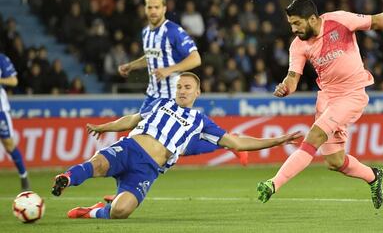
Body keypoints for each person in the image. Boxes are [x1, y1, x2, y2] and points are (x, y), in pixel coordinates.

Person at [51, 72, 302, 219]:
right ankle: (66, 177)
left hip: (147, 170)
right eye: (179, 87)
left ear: (197, 93)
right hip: (130, 149)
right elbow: (132, 119)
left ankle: (94, 211)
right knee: (98, 163)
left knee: (121, 211)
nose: (182, 91)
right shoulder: (161, 104)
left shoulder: (201, 121)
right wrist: (105, 127)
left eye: (187, 88)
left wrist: (278, 140)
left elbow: (236, 141)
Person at [257, 0, 383, 209]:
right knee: (334, 162)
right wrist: (285, 87)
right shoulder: (298, 46)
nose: (293, 28)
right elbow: (292, 78)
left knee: (314, 136)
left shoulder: (340, 20)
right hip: (328, 98)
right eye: (291, 24)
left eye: (297, 23)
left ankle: (273, 183)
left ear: (313, 19)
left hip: (352, 94)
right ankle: (373, 176)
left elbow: (378, 22)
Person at [117, 0, 247, 162]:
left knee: (171, 145)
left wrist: (169, 70)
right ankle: (231, 142)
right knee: (170, 144)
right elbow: (151, 57)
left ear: (164, 9)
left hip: (169, 93)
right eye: (150, 7)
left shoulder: (173, 31)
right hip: (153, 94)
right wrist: (131, 66)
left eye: (157, 7)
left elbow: (196, 58)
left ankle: (231, 142)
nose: (153, 11)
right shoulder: (146, 33)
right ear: (145, 9)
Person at [0, 54, 30, 190]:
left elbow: (13, 81)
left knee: (9, 144)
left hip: (1, 110)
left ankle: (23, 176)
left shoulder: (2, 59)